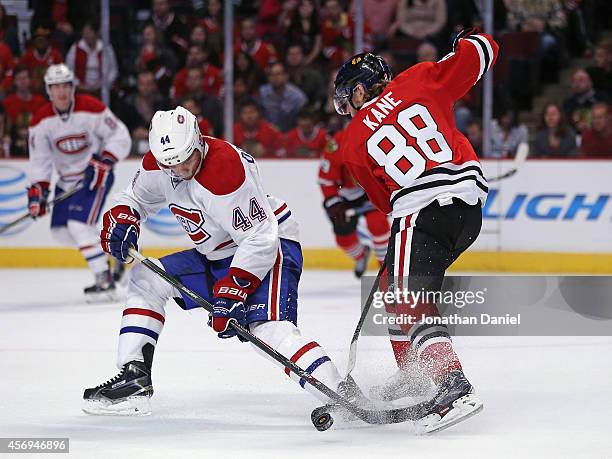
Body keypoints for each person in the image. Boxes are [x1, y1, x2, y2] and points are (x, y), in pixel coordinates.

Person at [82, 106, 347, 416]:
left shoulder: (225, 170)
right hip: (218, 253)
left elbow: (259, 238)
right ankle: (135, 376)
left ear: (198, 141)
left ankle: (341, 391)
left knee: (267, 328)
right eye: (172, 165)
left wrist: (233, 291)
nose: (180, 170)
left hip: (270, 245)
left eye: (187, 160)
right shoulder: (161, 162)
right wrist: (123, 218)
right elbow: (134, 197)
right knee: (146, 277)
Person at [332, 29, 498, 431]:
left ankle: (450, 384)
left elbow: (384, 200)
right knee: (395, 288)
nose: (346, 105)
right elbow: (483, 51)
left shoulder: (352, 139)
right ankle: (415, 374)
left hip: (418, 209)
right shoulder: (419, 78)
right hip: (468, 210)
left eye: (347, 95)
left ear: (360, 91)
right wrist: (468, 38)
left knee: (407, 297)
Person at [27, 64, 131, 299]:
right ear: (48, 90)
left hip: (95, 176)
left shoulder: (92, 108)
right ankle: (119, 251)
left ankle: (104, 279)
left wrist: (105, 161)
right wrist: (39, 191)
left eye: (65, 86)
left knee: (78, 226)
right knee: (61, 232)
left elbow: (120, 135)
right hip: (66, 182)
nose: (62, 92)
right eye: (56, 87)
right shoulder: (41, 121)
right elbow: (40, 160)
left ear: (73, 87)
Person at [318, 127, 390, 277]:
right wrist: (334, 202)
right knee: (344, 236)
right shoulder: (336, 144)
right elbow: (326, 181)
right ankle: (361, 255)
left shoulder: (376, 135)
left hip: (370, 191)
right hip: (344, 197)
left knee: (378, 224)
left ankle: (386, 270)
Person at [65, 21, 118, 95]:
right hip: (81, 89)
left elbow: (113, 70)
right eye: (85, 33)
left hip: (101, 90)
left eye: (89, 33)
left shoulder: (106, 48)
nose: (86, 36)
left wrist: (102, 84)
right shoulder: (75, 48)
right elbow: (68, 70)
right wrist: (79, 85)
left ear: (96, 33)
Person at [259, 62, 308, 133]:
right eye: (271, 75)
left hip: (290, 135)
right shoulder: (261, 93)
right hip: (266, 133)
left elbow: (303, 121)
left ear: (286, 76)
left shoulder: (298, 97)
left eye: (278, 74)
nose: (275, 78)